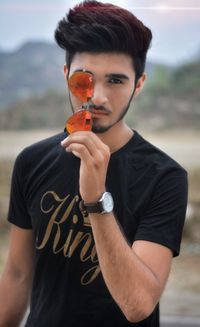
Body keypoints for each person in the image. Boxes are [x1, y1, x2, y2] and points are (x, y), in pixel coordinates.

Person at [0, 1, 188, 326]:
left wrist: (96, 202)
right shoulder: (32, 161)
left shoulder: (165, 176)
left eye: (115, 81)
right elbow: (17, 275)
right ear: (65, 75)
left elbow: (138, 304)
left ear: (138, 84)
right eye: (83, 79)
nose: (97, 96)